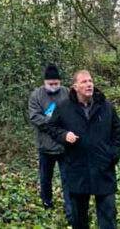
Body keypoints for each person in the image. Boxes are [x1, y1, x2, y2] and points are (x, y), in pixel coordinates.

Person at [47, 70, 120, 229]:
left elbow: (116, 130)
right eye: (84, 82)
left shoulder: (106, 106)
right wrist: (64, 135)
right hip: (77, 169)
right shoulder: (63, 107)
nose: (89, 84)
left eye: (90, 81)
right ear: (75, 87)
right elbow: (52, 127)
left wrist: (113, 153)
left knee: (108, 218)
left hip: (103, 169)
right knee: (79, 219)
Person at [28, 62, 72, 218]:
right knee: (45, 179)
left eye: (56, 83)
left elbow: (73, 114)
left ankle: (70, 211)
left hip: (65, 146)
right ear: (44, 82)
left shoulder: (67, 92)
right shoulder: (36, 95)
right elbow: (35, 118)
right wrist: (55, 121)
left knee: (68, 180)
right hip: (45, 146)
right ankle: (47, 203)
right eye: (50, 83)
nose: (54, 86)